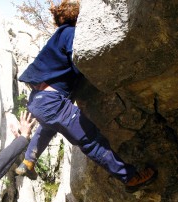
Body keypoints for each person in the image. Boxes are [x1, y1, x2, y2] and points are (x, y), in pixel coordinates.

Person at [15, 0, 157, 192]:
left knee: (48, 126)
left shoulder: (57, 36)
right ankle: (130, 178)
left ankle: (28, 161)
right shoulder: (70, 33)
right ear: (78, 17)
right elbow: (80, 60)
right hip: (52, 103)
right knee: (90, 140)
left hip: (38, 101)